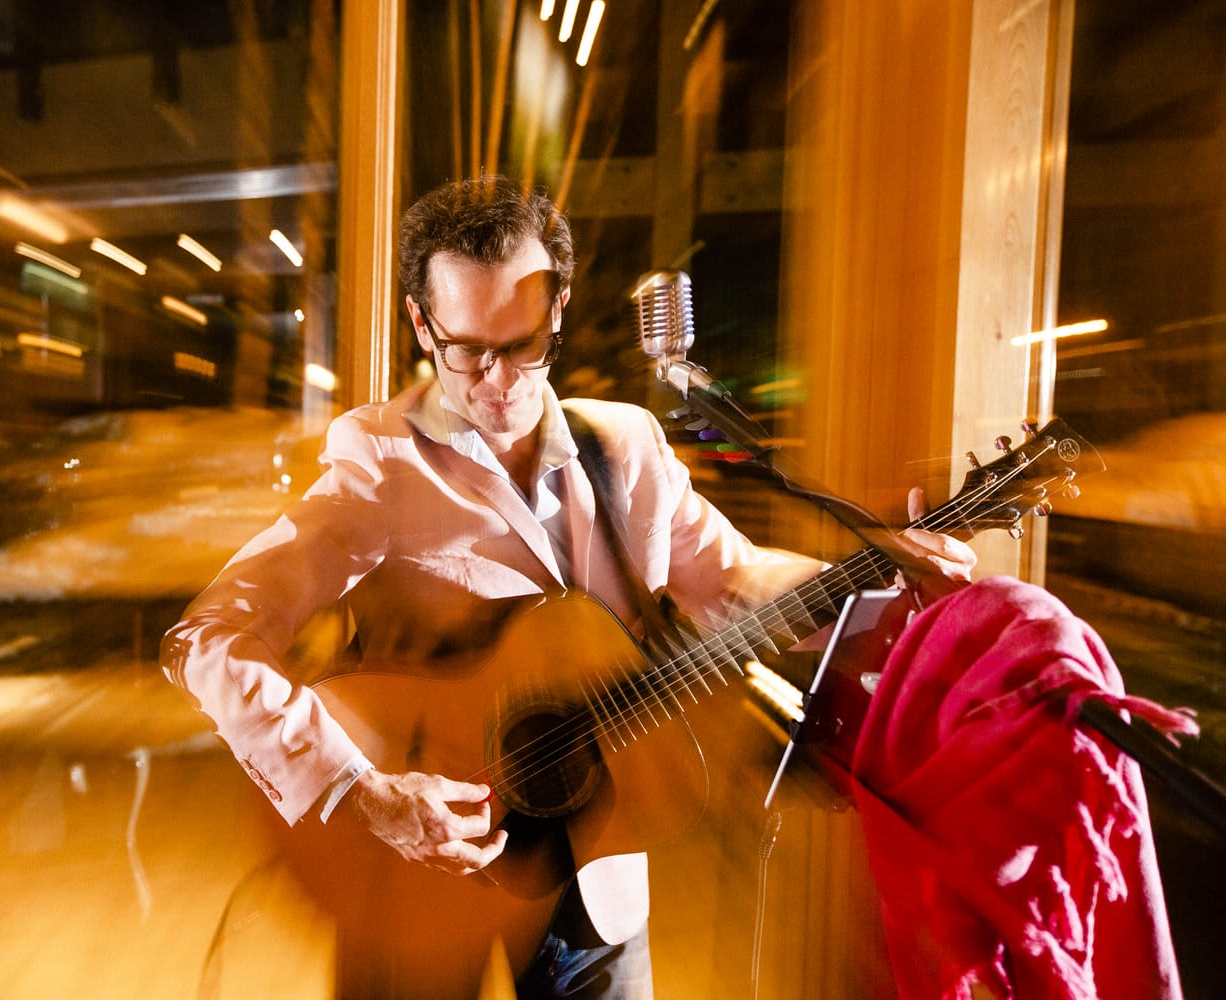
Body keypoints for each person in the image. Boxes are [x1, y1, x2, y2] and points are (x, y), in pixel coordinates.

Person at [162, 175, 976, 999]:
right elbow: (210, 641)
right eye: (466, 351)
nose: (500, 382)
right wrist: (357, 787)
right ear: (420, 321)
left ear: (556, 310)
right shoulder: (379, 462)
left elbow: (733, 582)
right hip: (416, 880)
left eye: (522, 346)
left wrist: (881, 588)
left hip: (597, 873)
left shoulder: (626, 446)